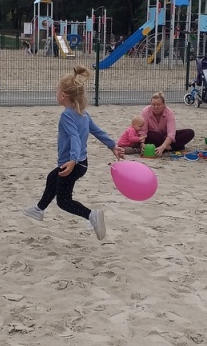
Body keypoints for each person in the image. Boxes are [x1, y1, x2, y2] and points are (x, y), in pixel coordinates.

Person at [21, 65, 124, 241]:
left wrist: (73, 160)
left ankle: (92, 215)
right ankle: (39, 209)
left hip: (73, 163)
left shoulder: (67, 115)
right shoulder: (83, 114)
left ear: (63, 95)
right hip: (81, 163)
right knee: (52, 178)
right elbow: (98, 131)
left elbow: (75, 138)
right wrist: (112, 145)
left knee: (63, 201)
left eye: (57, 90)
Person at [140, 91, 195, 156]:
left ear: (164, 104)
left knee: (189, 133)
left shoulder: (169, 113)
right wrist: (142, 143)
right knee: (155, 136)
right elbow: (143, 131)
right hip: (153, 136)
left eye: (158, 105)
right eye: (153, 105)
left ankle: (166, 148)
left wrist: (163, 146)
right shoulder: (145, 111)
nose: (156, 107)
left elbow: (171, 134)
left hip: (166, 137)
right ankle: (174, 147)